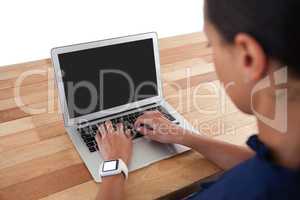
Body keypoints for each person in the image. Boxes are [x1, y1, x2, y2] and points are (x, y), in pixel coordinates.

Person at [96, 0, 300, 199]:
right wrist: (185, 136)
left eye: (211, 45)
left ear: (248, 57)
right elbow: (259, 165)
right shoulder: (286, 159)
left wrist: (115, 164)